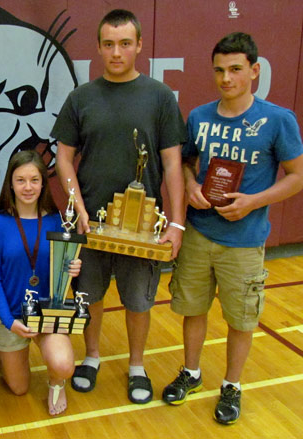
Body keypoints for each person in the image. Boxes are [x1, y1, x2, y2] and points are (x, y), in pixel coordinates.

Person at [162, 32, 303, 424]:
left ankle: (232, 385)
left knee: (241, 319)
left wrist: (252, 202)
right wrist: (190, 186)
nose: (227, 78)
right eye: (220, 70)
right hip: (200, 234)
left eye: (236, 70)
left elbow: (297, 176)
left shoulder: (277, 119)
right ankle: (190, 372)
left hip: (244, 241)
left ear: (254, 71)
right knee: (193, 309)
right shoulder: (200, 116)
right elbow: (187, 163)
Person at [51, 9, 187, 404]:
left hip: (143, 226)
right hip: (91, 224)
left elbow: (173, 163)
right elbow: (63, 158)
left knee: (138, 301)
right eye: (108, 44)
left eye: (125, 43)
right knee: (89, 296)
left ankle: (136, 365)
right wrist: (77, 207)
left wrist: (176, 225)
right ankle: (91, 358)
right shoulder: (81, 98)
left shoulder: (159, 97)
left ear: (139, 45)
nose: (116, 52)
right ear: (98, 47)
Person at [0, 150, 82, 416]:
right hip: (12, 315)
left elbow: (60, 267)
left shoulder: (56, 219)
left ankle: (56, 383)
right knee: (19, 388)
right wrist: (8, 320)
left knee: (63, 365)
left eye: (34, 180)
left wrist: (70, 267)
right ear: (10, 184)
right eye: (21, 180)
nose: (28, 187)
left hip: (46, 312)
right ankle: (8, 352)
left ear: (43, 183)